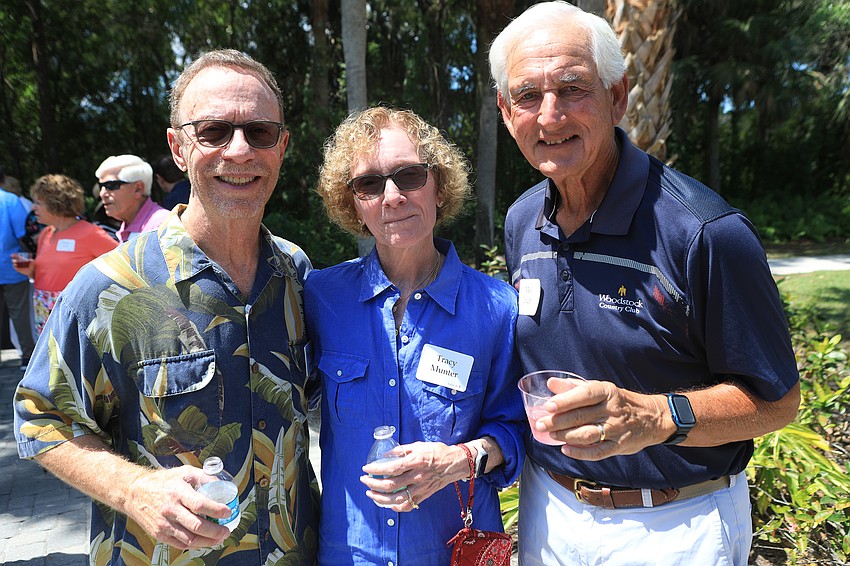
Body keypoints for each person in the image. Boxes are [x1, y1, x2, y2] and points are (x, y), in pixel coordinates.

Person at [490, 3, 801, 565]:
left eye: (572, 88)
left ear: (618, 96)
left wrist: (655, 418)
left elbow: (777, 402)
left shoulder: (705, 232)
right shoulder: (521, 221)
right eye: (528, 95)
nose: (550, 115)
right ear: (506, 112)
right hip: (548, 511)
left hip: (675, 525)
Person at [14, 49, 319, 564]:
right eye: (214, 132)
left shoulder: (296, 272)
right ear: (178, 148)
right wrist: (134, 489)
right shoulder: (107, 287)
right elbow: (40, 417)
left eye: (260, 132)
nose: (240, 150)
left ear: (282, 147)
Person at [305, 106, 525, 564]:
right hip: (351, 554)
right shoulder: (322, 297)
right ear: (353, 203)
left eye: (409, 176)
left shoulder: (497, 307)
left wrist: (457, 461)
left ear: (438, 186)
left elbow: (516, 431)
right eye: (369, 184)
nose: (392, 197)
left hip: (452, 551)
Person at [11, 174, 117, 334]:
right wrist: (31, 270)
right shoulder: (46, 233)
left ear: (56, 204)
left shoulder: (90, 233)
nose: (33, 208)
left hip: (74, 312)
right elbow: (51, 272)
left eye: (38, 203)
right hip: (44, 310)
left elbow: (122, 266)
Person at [0, 166, 36, 370]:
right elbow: (24, 233)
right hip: (12, 266)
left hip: (11, 266)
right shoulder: (11, 200)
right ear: (4, 179)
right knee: (20, 314)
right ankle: (27, 357)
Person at [95, 154, 170, 242]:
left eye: (111, 185)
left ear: (138, 189)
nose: (102, 194)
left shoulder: (162, 226)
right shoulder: (126, 228)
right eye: (101, 186)